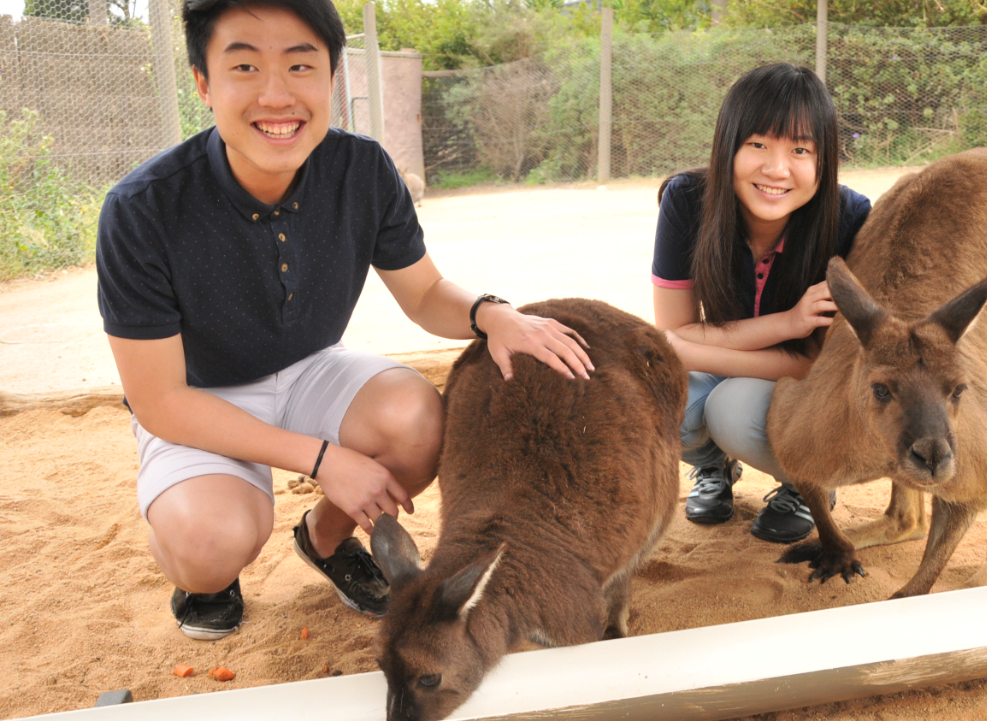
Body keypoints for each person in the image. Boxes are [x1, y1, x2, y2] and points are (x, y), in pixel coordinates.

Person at [96, 0, 592, 641]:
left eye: (300, 66)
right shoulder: (142, 208)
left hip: (308, 368)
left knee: (418, 424)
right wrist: (324, 459)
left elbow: (424, 293)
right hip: (198, 397)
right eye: (244, 66)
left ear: (331, 77)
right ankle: (206, 578)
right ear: (203, 84)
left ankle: (325, 540)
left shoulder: (361, 168)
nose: (277, 95)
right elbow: (160, 402)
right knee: (208, 543)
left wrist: (490, 314)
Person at [652, 63, 871, 544]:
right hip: (772, 355)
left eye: (799, 149)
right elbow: (673, 327)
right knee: (670, 396)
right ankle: (713, 467)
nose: (776, 169)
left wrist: (686, 350)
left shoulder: (851, 218)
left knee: (729, 410)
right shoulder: (687, 199)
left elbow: (816, 364)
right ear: (728, 145)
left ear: (825, 159)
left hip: (804, 383)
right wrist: (790, 321)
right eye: (757, 145)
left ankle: (805, 482)